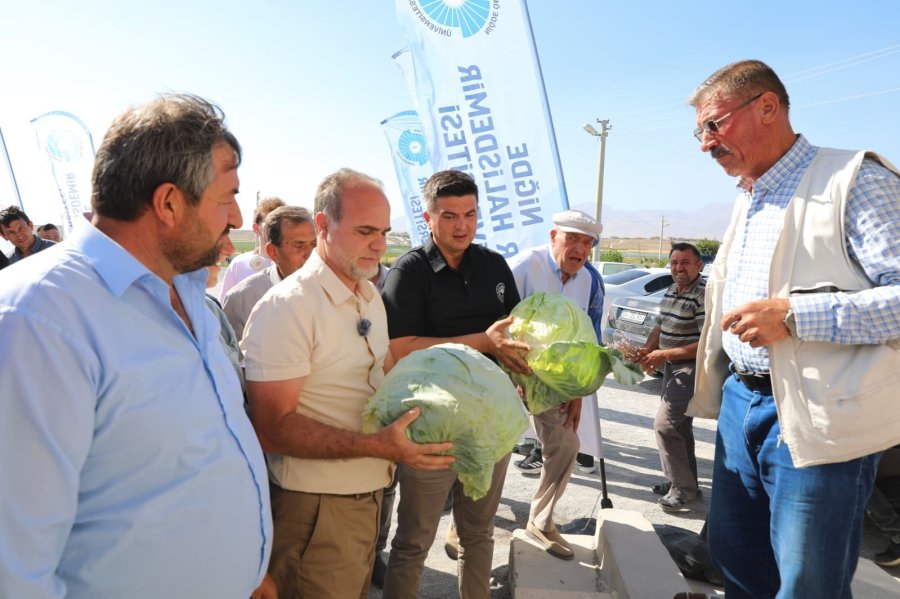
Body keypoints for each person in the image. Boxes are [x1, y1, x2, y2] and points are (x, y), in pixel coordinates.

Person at [0, 94, 275, 598]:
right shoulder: (37, 319)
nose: (236, 217)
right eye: (226, 196)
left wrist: (250, 567)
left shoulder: (189, 294)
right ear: (169, 202)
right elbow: (14, 568)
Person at [687, 59, 900, 598]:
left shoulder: (855, 181)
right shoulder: (750, 196)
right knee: (736, 561)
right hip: (743, 403)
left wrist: (795, 316)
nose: (705, 145)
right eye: (700, 132)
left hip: (819, 412)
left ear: (767, 107)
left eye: (714, 126)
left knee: (807, 584)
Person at [241, 168, 454, 598]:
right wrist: (376, 446)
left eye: (384, 231)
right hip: (315, 511)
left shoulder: (368, 293)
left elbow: (379, 375)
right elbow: (271, 427)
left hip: (367, 501)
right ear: (323, 225)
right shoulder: (288, 308)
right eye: (365, 231)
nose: (379, 244)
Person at [380, 169, 530, 598]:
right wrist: (481, 342)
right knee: (413, 542)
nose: (461, 225)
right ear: (428, 218)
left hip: (490, 423)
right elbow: (400, 348)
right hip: (433, 427)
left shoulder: (494, 265)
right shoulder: (408, 272)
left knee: (478, 535)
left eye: (469, 214)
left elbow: (513, 335)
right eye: (449, 215)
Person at [507, 209, 606, 560]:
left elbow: (586, 340)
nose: (580, 249)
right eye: (572, 239)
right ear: (553, 237)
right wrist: (511, 368)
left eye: (588, 242)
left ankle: (542, 520)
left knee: (566, 444)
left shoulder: (588, 280)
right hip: (508, 370)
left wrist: (577, 391)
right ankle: (466, 525)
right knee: (493, 447)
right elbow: (493, 319)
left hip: (550, 381)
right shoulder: (523, 265)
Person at [638, 242, 705, 511]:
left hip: (689, 368)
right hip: (670, 367)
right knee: (680, 428)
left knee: (665, 426)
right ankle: (684, 482)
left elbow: (705, 343)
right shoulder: (671, 289)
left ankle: (682, 489)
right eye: (674, 262)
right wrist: (647, 349)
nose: (679, 268)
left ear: (698, 265)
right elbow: (660, 324)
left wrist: (664, 355)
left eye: (685, 262)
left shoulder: (703, 294)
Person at [223, 205, 315, 341]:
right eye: (299, 245)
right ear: (273, 252)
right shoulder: (243, 298)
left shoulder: (334, 289)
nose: (310, 254)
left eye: (315, 244)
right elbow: (231, 358)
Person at [219, 196, 285, 299]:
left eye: (281, 224)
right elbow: (223, 307)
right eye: (271, 224)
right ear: (256, 228)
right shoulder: (238, 265)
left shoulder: (294, 265)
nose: (277, 229)